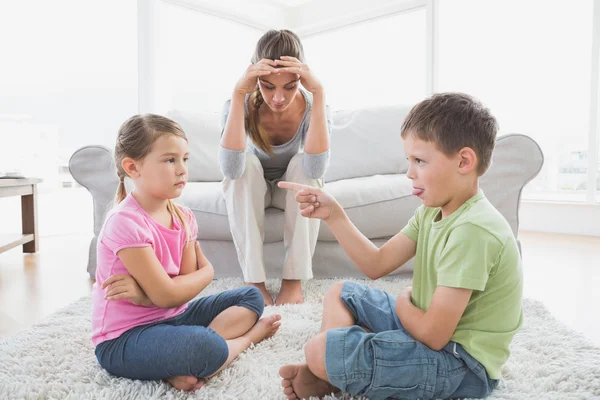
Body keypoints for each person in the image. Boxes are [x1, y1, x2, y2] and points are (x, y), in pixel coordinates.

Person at [278, 93, 522, 400]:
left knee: (319, 348)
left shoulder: (474, 229)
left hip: (459, 364)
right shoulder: (432, 211)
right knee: (340, 292)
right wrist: (334, 214)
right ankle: (333, 373)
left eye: (419, 160)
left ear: (463, 161)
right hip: (423, 327)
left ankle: (332, 370)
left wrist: (405, 304)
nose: (409, 172)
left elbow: (434, 336)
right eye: (409, 161)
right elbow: (377, 264)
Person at [92, 114, 281, 392]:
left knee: (250, 296)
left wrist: (149, 294)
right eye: (170, 160)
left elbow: (183, 287)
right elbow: (169, 293)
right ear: (133, 167)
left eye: (185, 159)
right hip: (124, 338)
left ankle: (176, 362)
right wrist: (207, 273)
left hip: (174, 316)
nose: (182, 169)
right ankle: (245, 340)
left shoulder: (183, 216)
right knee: (203, 346)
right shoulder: (125, 222)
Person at [219, 29, 331, 306]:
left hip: (289, 188)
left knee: (304, 167)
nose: (279, 98)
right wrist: (236, 94)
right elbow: (232, 170)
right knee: (245, 163)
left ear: (300, 79)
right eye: (268, 87)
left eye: (289, 87)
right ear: (256, 78)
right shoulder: (241, 103)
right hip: (253, 185)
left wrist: (319, 93)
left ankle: (293, 282)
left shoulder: (312, 106)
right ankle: (254, 283)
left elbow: (316, 169)